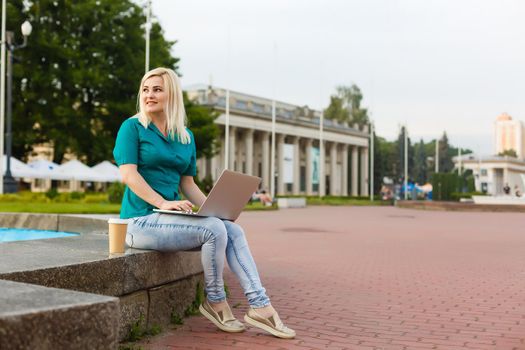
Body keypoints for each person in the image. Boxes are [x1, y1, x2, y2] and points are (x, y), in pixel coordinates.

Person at [113, 67, 295, 339]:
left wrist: (219, 208)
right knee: (213, 229)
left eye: (157, 89)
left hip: (169, 218)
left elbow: (187, 184)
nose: (149, 95)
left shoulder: (184, 136)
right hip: (140, 221)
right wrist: (162, 202)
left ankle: (261, 307)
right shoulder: (132, 127)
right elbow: (128, 175)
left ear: (171, 95)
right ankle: (215, 301)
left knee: (231, 228)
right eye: (145, 89)